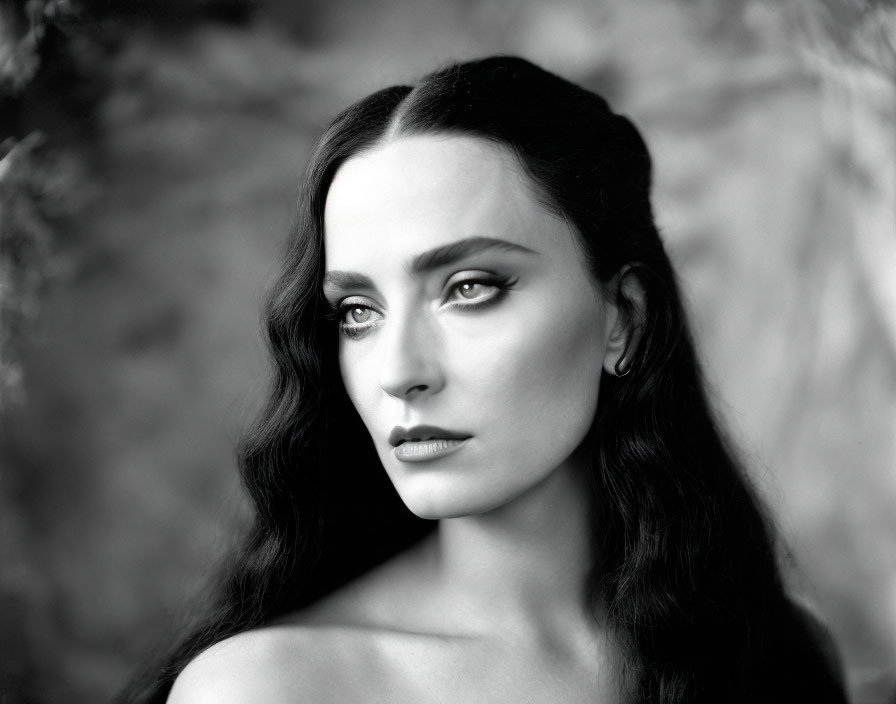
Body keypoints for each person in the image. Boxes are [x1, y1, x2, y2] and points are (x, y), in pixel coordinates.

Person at [122, 56, 849, 703]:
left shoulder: (773, 653)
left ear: (622, 316)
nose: (399, 372)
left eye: (469, 287)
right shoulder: (266, 690)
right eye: (357, 311)